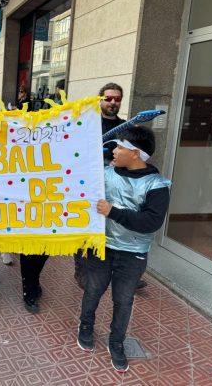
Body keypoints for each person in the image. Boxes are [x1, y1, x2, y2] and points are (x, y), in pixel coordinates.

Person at [77, 126, 171, 373]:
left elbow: (151, 222)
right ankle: (85, 326)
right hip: (102, 247)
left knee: (123, 300)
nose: (114, 150)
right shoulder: (105, 174)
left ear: (136, 153)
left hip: (133, 254)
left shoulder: (157, 185)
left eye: (120, 147)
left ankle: (116, 342)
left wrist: (113, 212)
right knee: (93, 290)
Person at [73, 82, 147, 291]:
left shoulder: (127, 127)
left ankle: (121, 272)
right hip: (88, 184)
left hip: (118, 186)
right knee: (86, 224)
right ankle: (82, 270)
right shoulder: (87, 123)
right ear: (100, 100)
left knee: (114, 225)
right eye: (109, 98)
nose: (113, 102)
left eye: (117, 99)